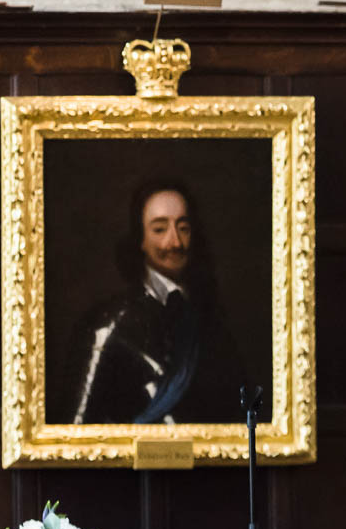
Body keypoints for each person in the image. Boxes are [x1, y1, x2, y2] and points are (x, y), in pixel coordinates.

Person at [58, 179, 250, 424]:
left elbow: (240, 422)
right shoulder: (108, 326)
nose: (175, 243)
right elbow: (76, 437)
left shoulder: (211, 321)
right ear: (141, 239)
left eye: (183, 228)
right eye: (160, 229)